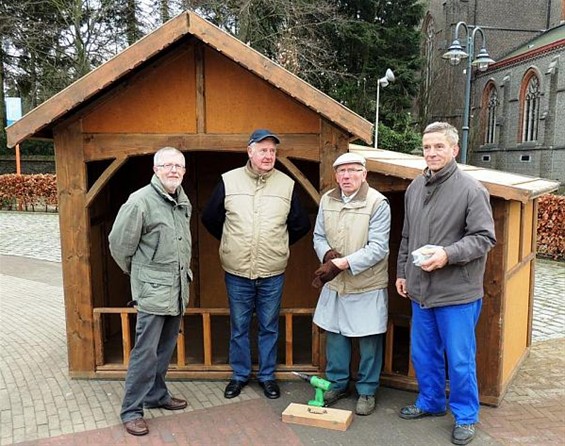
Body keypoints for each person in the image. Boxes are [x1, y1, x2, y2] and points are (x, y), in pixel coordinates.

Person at [396, 122, 496, 445]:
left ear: (454, 150)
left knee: (460, 357)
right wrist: (402, 273)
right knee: (424, 353)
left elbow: (483, 238)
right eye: (427, 147)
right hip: (421, 289)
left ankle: (466, 416)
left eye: (439, 147)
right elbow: (407, 237)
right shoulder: (414, 188)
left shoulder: (471, 189)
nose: (432, 153)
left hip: (457, 293)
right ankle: (431, 402)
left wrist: (447, 255)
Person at [201, 129, 311, 400]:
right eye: (263, 150)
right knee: (239, 326)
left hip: (272, 271)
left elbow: (300, 225)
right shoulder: (229, 181)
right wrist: (232, 240)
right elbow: (210, 218)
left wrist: (277, 244)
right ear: (249, 151)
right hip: (237, 270)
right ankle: (239, 375)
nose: (269, 155)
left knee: (269, 326)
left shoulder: (287, 184)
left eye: (273, 151)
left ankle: (267, 376)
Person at [109, 147, 193, 437]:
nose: (173, 170)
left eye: (178, 166)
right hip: (153, 292)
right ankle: (131, 410)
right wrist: (141, 276)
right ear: (155, 169)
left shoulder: (181, 200)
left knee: (164, 349)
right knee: (145, 353)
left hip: (177, 290)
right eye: (167, 165)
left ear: (184, 170)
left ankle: (157, 394)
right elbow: (119, 246)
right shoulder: (140, 202)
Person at [311, 152, 391, 416]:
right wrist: (327, 255)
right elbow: (319, 235)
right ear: (336, 175)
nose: (347, 176)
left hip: (366, 283)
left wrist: (342, 264)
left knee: (369, 339)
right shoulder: (328, 199)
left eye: (353, 171)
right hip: (337, 285)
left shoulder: (377, 203)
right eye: (342, 171)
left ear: (364, 174)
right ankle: (338, 384)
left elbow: (378, 248)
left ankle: (367, 390)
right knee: (335, 334)